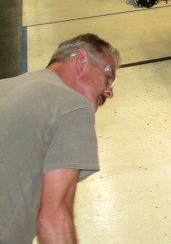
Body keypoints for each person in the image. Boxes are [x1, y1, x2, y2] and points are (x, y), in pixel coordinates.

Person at [0, 33, 120, 244]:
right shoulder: (71, 105)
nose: (109, 92)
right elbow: (54, 218)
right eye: (108, 76)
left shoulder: (6, 86)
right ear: (81, 61)